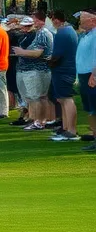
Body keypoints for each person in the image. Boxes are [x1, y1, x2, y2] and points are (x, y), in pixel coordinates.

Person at [12, 12, 54, 132]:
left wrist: (21, 52)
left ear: (42, 21)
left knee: (35, 97)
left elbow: (38, 53)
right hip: (33, 70)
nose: (32, 23)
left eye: (34, 21)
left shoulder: (43, 33)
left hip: (36, 70)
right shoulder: (39, 33)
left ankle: (37, 121)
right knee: (38, 97)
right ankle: (40, 120)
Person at [47, 10, 80, 142]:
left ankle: (71, 130)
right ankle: (66, 128)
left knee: (66, 99)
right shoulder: (69, 31)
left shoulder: (63, 32)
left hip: (63, 70)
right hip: (65, 69)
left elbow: (57, 55)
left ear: (55, 20)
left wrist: (48, 61)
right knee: (62, 99)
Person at [75, 11, 96, 151]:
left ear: (92, 20)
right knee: (90, 109)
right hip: (84, 75)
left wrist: (94, 75)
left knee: (94, 109)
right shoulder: (86, 35)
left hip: (91, 75)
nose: (80, 23)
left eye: (82, 20)